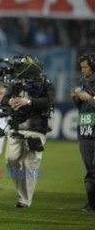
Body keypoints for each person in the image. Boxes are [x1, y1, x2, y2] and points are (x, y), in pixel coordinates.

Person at [1, 55, 55, 208]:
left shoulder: (45, 83)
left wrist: (29, 101)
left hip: (36, 128)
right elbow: (4, 99)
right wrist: (10, 101)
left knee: (29, 164)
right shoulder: (15, 82)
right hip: (17, 126)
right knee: (11, 160)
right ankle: (23, 192)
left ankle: (24, 199)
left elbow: (48, 102)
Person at [71, 53, 95, 211]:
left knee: (93, 172)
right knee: (89, 170)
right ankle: (92, 202)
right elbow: (82, 108)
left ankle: (92, 204)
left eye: (85, 67)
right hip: (85, 131)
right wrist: (76, 99)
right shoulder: (82, 82)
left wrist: (90, 99)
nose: (83, 70)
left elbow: (90, 102)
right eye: (81, 67)